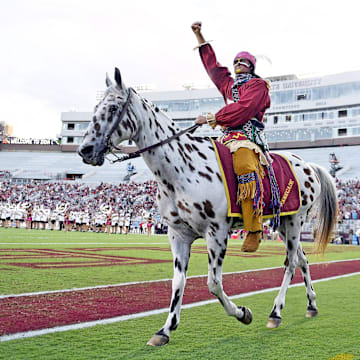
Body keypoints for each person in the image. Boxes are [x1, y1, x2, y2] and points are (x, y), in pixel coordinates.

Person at [191, 21, 272, 252]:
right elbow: (214, 69)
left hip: (248, 138)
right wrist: (199, 35)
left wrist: (211, 118)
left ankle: (254, 228)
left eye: (243, 62)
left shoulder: (258, 86)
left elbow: (243, 110)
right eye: (235, 61)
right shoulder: (230, 87)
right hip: (226, 137)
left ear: (251, 66)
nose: (238, 64)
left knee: (245, 165)